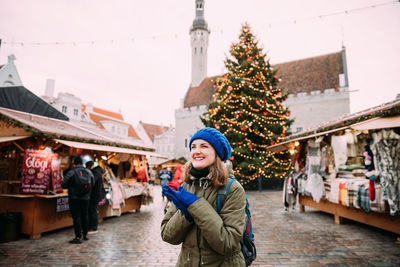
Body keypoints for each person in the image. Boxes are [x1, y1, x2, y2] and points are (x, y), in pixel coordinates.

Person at [161, 127, 247, 266]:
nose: (196, 151)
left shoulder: (233, 189)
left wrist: (195, 206)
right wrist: (185, 215)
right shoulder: (186, 185)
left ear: (217, 153)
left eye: (204, 146)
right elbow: (167, 235)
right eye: (193, 147)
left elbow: (227, 243)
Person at [61, 156, 94, 244]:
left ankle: (78, 237)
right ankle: (85, 235)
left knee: (77, 217)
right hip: (86, 198)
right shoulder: (88, 172)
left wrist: (71, 186)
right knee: (85, 215)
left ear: (74, 163)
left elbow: (63, 185)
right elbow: (93, 183)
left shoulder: (71, 172)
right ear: (82, 163)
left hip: (74, 198)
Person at [85, 160, 104, 234]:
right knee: (92, 211)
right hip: (95, 195)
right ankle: (91, 227)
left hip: (94, 195)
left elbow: (92, 182)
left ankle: (94, 228)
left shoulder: (96, 173)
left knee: (93, 211)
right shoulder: (97, 171)